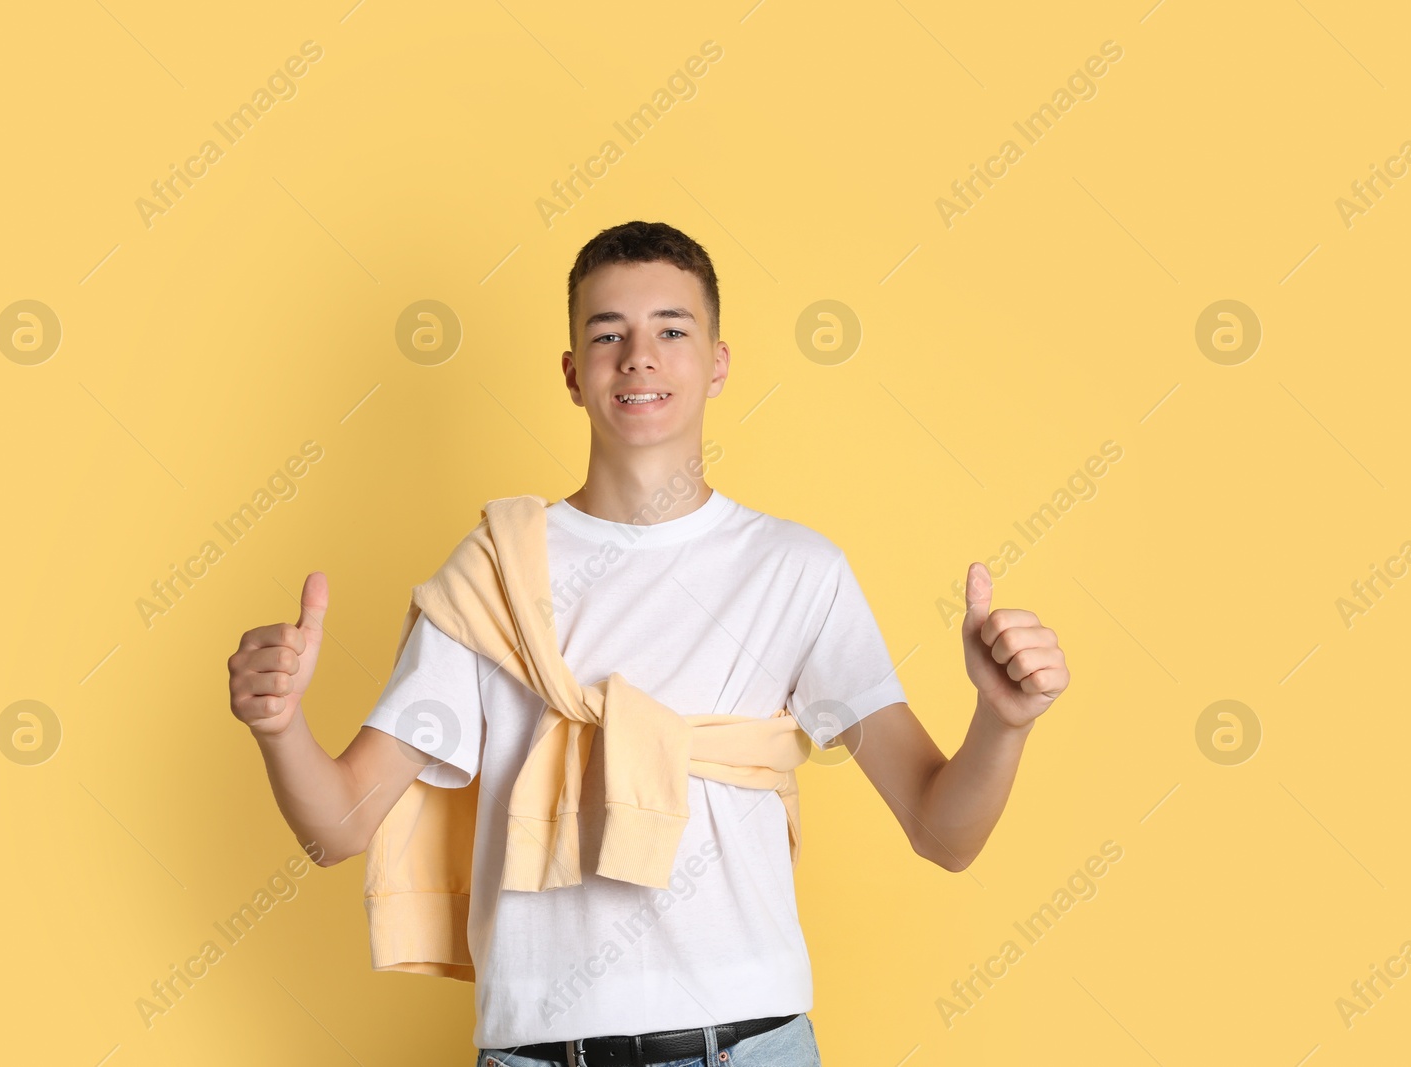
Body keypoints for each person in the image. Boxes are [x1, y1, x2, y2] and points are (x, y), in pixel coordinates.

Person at [227, 220, 1070, 1066]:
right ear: (572, 373)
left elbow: (942, 831)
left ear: (717, 363)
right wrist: (279, 726)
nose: (639, 356)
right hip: (539, 1051)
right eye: (607, 334)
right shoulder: (494, 574)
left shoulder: (795, 569)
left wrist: (1004, 724)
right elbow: (337, 828)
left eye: (672, 330)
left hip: (751, 1043)